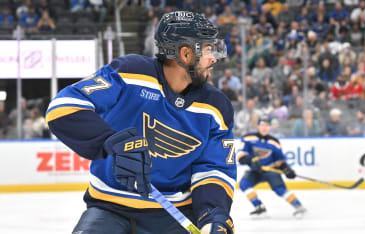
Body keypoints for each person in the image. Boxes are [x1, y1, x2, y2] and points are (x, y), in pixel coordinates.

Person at [45, 11, 236, 234]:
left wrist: (214, 216)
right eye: (207, 50)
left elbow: (214, 170)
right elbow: (63, 107)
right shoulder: (129, 74)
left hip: (175, 215)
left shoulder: (217, 107)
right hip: (110, 208)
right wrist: (110, 142)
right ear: (185, 54)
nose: (214, 58)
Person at [237, 115, 307, 217]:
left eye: (267, 125)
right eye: (262, 125)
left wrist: (287, 170)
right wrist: (250, 160)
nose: (264, 128)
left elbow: (280, 161)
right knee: (244, 184)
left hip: (270, 170)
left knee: (280, 189)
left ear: (270, 127)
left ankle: (299, 207)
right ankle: (259, 207)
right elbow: (240, 155)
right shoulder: (247, 138)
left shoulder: (274, 142)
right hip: (254, 170)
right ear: (258, 126)